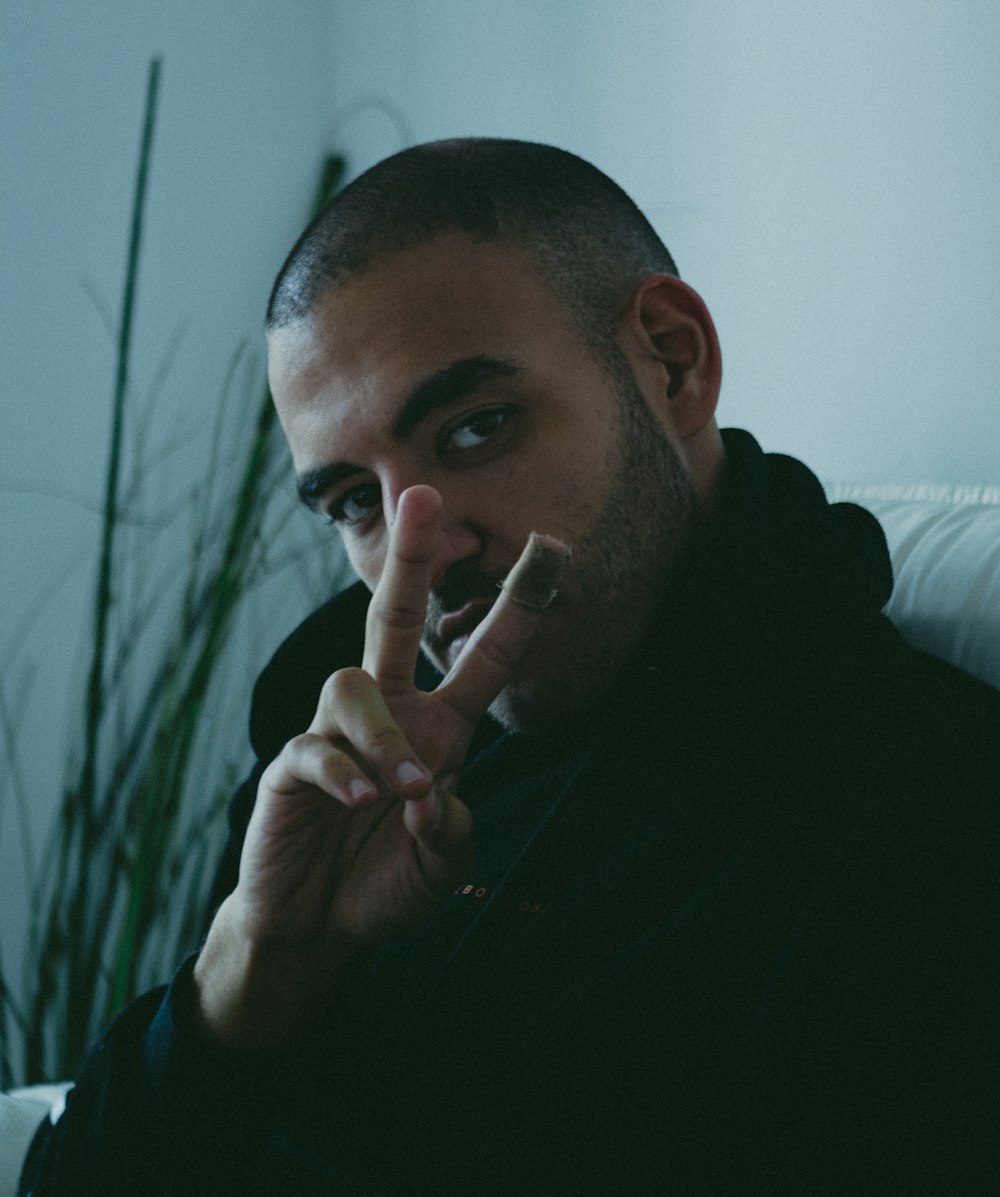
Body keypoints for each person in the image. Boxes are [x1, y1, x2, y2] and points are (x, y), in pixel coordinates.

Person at [20, 139, 1000, 1195]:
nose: (417, 547)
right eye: (354, 500)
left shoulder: (924, 809)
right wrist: (249, 975)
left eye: (475, 429)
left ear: (670, 361)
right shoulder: (338, 737)